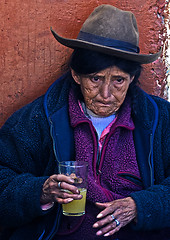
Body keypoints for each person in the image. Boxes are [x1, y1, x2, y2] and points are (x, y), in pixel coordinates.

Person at [0, 4, 169, 240]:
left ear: (132, 79)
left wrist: (141, 206)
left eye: (119, 80)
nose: (106, 94)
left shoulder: (160, 119)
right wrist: (40, 191)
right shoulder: (40, 117)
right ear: (76, 75)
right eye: (96, 78)